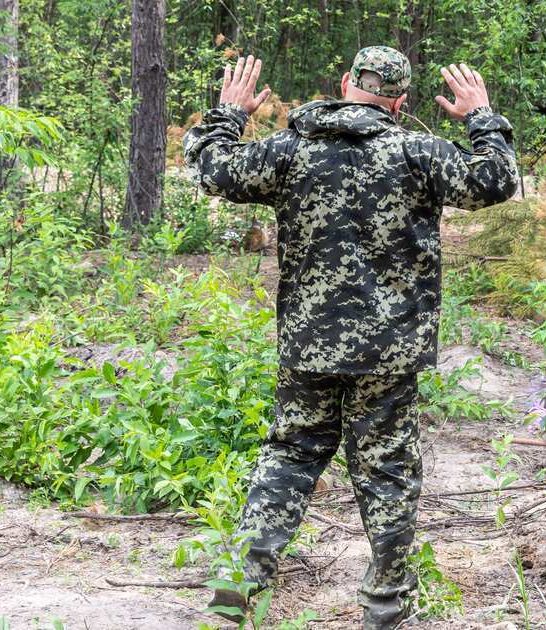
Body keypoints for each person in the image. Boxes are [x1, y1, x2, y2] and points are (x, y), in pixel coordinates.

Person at [183, 46, 519, 629]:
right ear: (401, 100)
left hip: (310, 345)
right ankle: (385, 612)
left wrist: (229, 113)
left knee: (289, 456)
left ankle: (234, 592)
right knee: (387, 471)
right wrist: (479, 115)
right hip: (389, 353)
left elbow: (212, 168)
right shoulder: (419, 152)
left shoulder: (291, 151)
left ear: (344, 83)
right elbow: (495, 179)